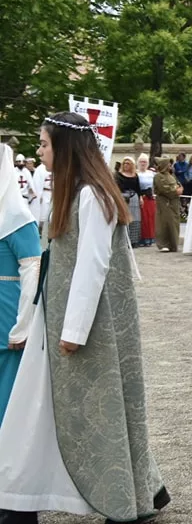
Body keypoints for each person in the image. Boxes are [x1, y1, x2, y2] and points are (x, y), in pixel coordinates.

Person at [0, 112, 169, 524]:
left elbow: (93, 266)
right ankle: (19, 499)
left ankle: (120, 496)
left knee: (98, 412)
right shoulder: (73, 193)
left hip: (83, 329)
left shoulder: (93, 196)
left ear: (66, 148)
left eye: (43, 144)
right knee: (41, 411)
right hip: (55, 321)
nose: (38, 151)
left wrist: (74, 331)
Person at [1, 144, 42, 424]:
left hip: (6, 310)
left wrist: (24, 324)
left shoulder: (18, 219)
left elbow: (33, 271)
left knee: (7, 379)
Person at [153, 157, 182, 253]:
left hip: (174, 203)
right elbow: (163, 189)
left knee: (174, 223)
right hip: (164, 203)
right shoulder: (158, 176)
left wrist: (180, 189)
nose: (170, 166)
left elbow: (178, 185)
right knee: (164, 222)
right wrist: (175, 190)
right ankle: (164, 244)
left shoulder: (171, 175)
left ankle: (173, 244)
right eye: (168, 164)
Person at [115, 156, 142, 247]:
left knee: (135, 219)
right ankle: (124, 239)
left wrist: (140, 197)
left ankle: (133, 240)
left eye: (128, 163)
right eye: (125, 163)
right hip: (123, 198)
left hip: (134, 198)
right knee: (125, 218)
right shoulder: (118, 175)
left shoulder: (135, 175)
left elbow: (138, 188)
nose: (126, 165)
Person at [136, 154, 156, 248]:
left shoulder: (152, 174)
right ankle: (141, 238)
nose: (143, 163)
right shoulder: (135, 173)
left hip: (150, 198)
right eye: (141, 161)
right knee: (141, 219)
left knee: (150, 218)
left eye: (144, 161)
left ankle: (150, 238)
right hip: (139, 197)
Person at [29, 157, 51, 232]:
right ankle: (41, 229)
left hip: (54, 193)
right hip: (44, 193)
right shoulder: (40, 169)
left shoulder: (55, 166)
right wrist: (39, 195)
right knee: (43, 213)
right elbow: (37, 183)